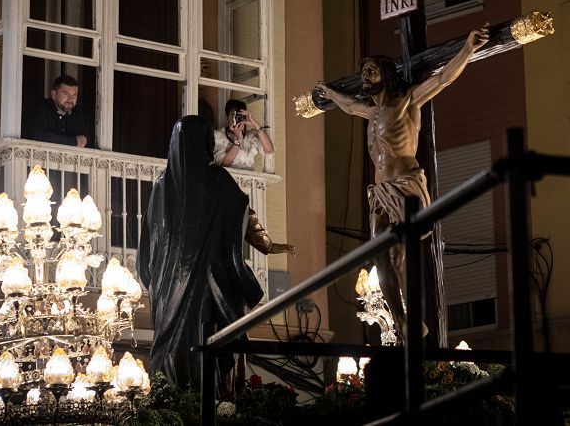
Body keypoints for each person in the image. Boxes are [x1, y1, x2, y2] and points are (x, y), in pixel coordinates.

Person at [315, 25, 489, 343]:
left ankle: (415, 321)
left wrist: (468, 48)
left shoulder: (407, 102)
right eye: (363, 71)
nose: (364, 76)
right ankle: (404, 321)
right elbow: (349, 105)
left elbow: (442, 79)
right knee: (380, 254)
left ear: (386, 75)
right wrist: (329, 93)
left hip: (406, 185)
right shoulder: (370, 111)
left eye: (371, 71)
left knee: (400, 254)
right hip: (380, 192)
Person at [138, 115, 293, 391]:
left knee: (176, 352)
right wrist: (267, 245)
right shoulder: (217, 181)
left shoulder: (161, 187)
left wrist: (159, 279)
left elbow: (148, 242)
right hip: (209, 286)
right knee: (210, 344)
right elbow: (243, 214)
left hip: (167, 289)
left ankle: (176, 399)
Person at [28, 75, 90, 148]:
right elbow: (40, 136)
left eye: (74, 95)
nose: (70, 99)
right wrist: (73, 141)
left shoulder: (77, 112)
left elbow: (84, 140)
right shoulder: (42, 108)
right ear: (54, 94)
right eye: (66, 94)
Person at [213, 99, 274, 170]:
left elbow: (269, 150)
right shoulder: (218, 135)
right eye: (234, 115)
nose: (237, 119)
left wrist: (256, 125)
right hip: (227, 179)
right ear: (227, 118)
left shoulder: (250, 136)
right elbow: (224, 164)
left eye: (240, 116)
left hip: (248, 180)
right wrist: (238, 139)